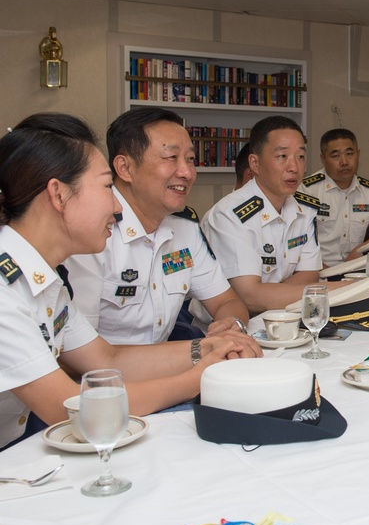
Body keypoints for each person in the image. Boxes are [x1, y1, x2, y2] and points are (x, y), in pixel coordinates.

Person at [0, 113, 261, 451]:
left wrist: (206, 348)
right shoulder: (7, 287)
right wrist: (197, 378)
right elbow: (67, 406)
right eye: (107, 186)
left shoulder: (43, 277)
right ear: (59, 194)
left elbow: (106, 360)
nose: (114, 204)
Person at [64, 107, 249, 345]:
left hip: (168, 368)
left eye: (190, 159)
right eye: (171, 157)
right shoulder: (92, 233)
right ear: (125, 168)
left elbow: (227, 301)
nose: (187, 172)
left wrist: (230, 326)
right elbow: (78, 354)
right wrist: (200, 353)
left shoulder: (185, 230)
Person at [201, 116, 350, 315]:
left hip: (286, 315)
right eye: (282, 156)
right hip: (230, 330)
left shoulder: (304, 209)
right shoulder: (229, 215)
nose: (294, 167)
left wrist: (271, 294)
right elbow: (250, 297)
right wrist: (344, 289)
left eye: (300, 157)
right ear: (254, 163)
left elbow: (310, 274)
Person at [299, 128, 369, 264]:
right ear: (323, 159)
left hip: (355, 269)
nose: (344, 162)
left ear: (358, 154)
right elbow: (299, 242)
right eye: (335, 156)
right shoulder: (307, 190)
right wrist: (322, 271)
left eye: (349, 154)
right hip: (317, 271)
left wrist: (360, 250)